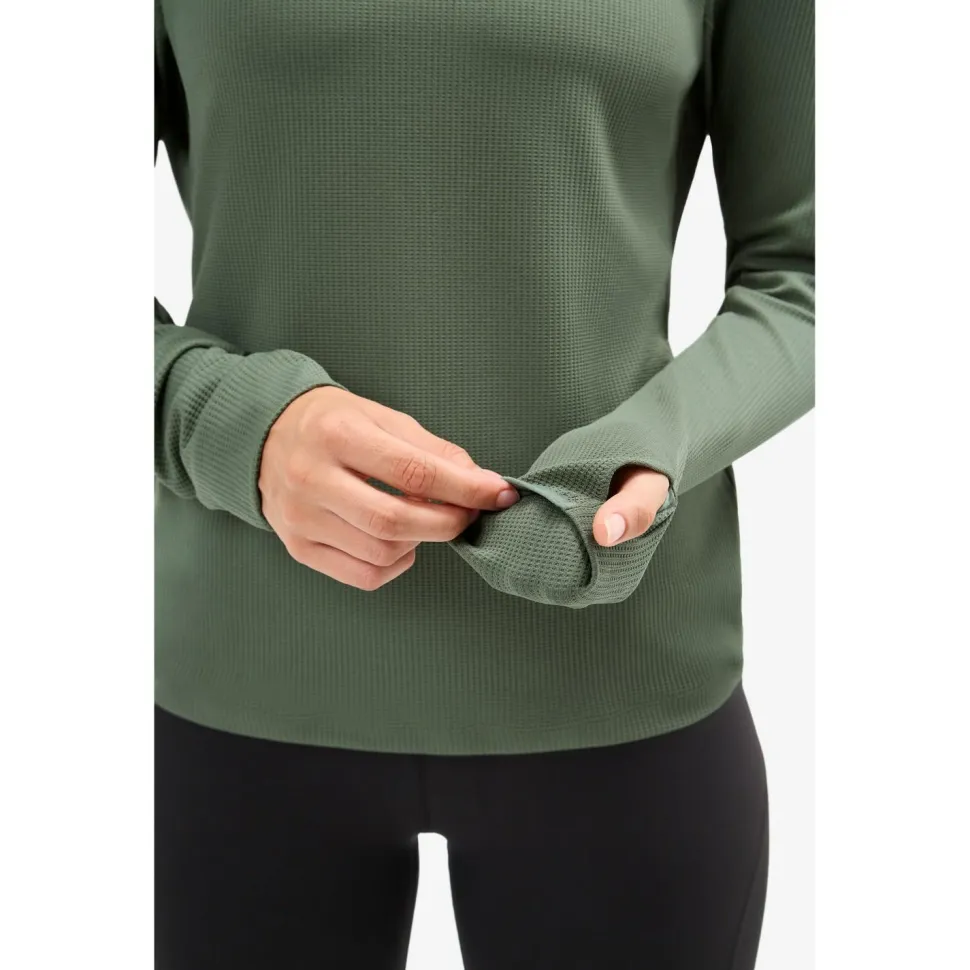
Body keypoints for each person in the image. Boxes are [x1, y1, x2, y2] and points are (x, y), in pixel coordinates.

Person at [154, 0, 814, 966]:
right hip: (238, 696)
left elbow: (810, 271)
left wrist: (657, 445)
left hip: (618, 684)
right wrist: (229, 425)